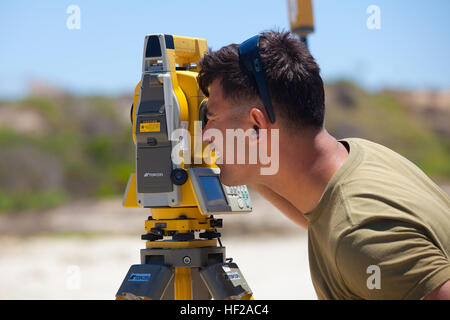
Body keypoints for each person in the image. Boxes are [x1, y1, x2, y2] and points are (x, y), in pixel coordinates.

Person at [197, 30, 450, 300]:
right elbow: (324, 223)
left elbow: (356, 237)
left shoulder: (361, 235)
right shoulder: (360, 160)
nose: (205, 135)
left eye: (212, 118)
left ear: (256, 126)